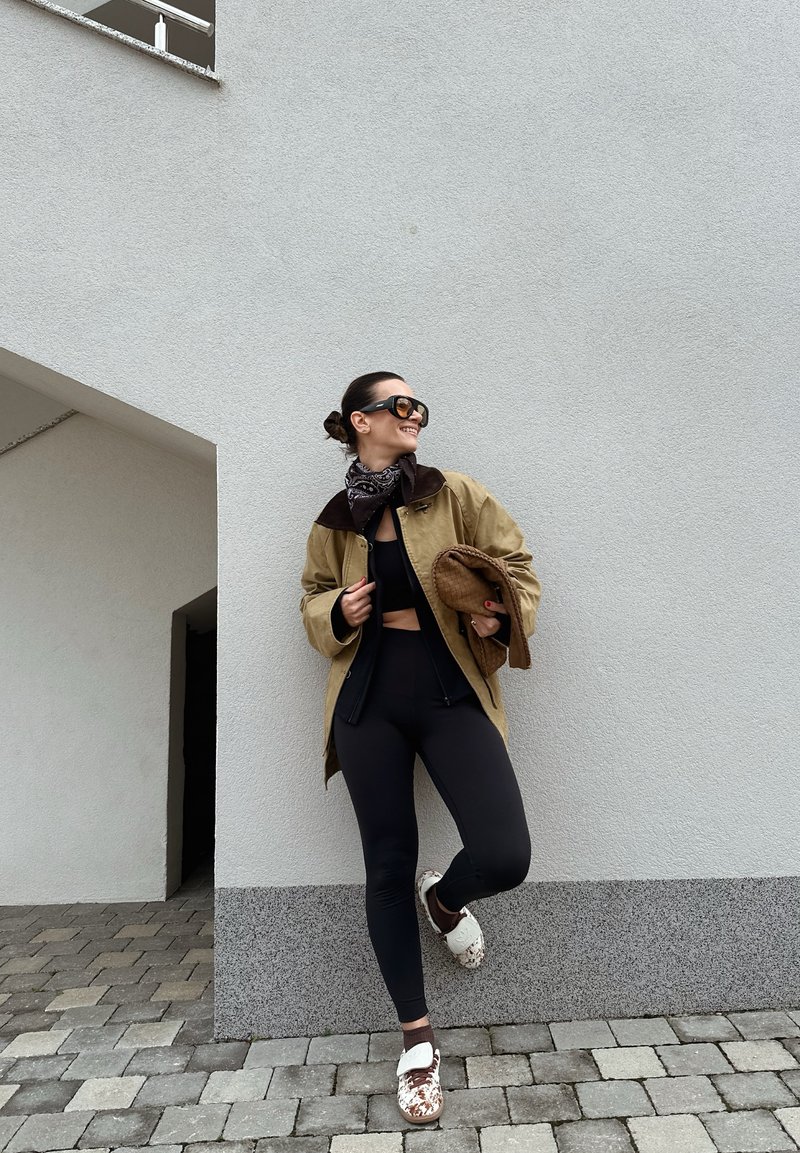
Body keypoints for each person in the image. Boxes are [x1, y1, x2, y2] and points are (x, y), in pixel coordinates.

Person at [300, 371, 542, 1124]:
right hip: (367, 699)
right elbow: (307, 595)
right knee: (384, 862)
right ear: (357, 421)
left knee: (506, 852)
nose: (412, 416)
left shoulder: (453, 493)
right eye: (396, 406)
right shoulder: (337, 519)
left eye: (418, 407)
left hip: (447, 690)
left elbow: (519, 567)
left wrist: (495, 613)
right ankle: (416, 1041)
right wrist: (335, 608)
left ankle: (444, 899)